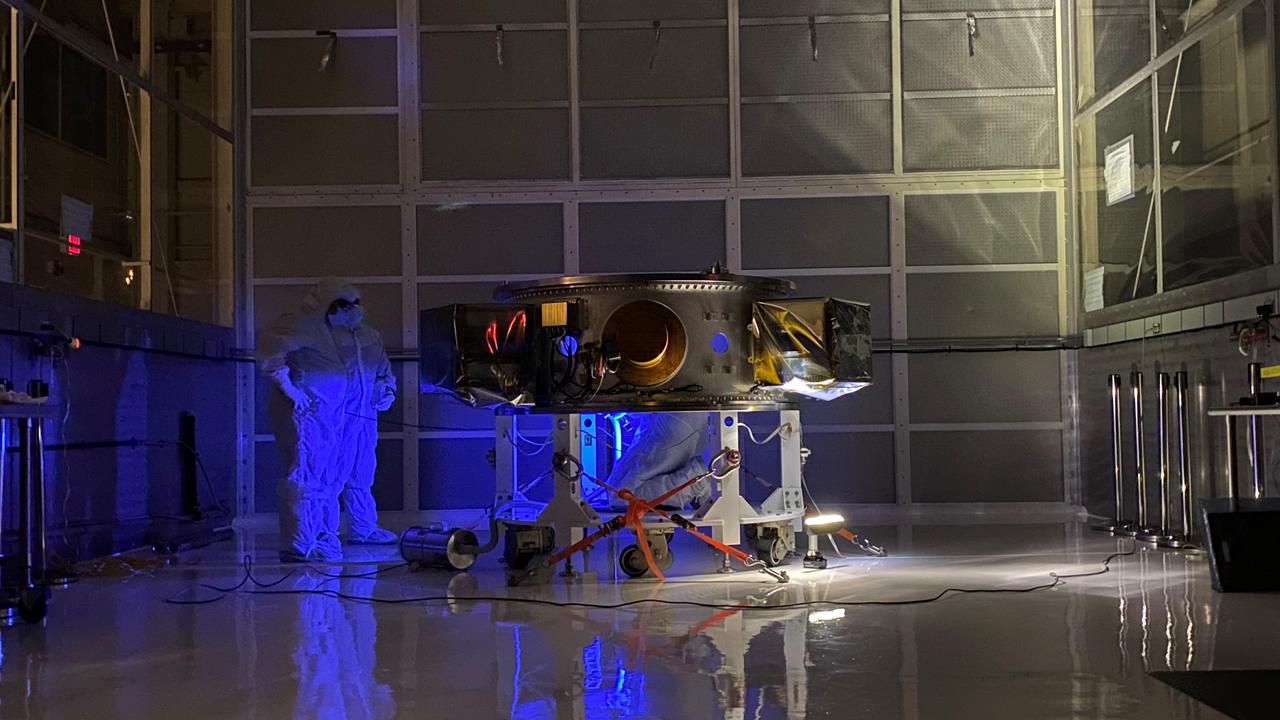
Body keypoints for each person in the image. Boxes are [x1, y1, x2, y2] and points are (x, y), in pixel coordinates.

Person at [258, 279, 398, 562]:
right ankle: (304, 542)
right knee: (314, 475)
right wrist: (289, 387)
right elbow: (272, 352)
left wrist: (387, 391)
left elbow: (382, 369)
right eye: (343, 305)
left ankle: (340, 532)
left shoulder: (368, 336)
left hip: (358, 415)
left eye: (354, 304)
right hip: (322, 414)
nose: (352, 310)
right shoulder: (313, 330)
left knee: (356, 470)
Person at [606, 412, 712, 511]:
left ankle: (702, 479)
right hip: (685, 418)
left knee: (620, 496)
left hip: (678, 420)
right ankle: (702, 479)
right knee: (619, 496)